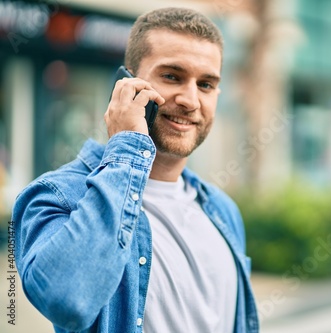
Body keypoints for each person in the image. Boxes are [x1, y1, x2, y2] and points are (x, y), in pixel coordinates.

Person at [12, 7, 259, 333]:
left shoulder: (223, 211)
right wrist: (127, 144)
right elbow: (67, 300)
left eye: (206, 84)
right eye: (172, 76)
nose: (190, 100)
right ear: (124, 83)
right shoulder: (59, 195)